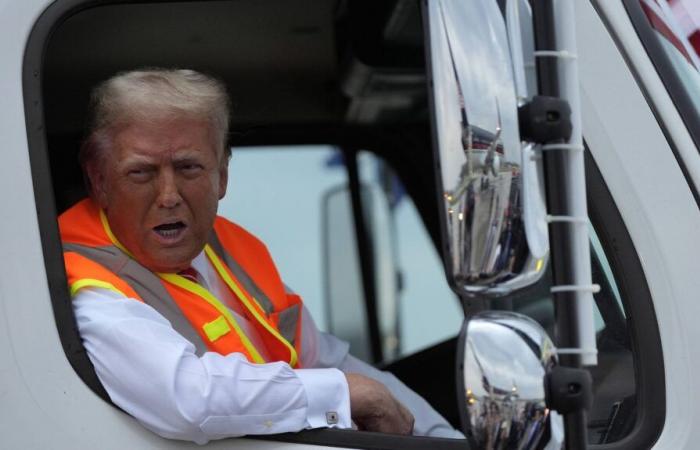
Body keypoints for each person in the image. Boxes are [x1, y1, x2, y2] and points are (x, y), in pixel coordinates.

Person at [59, 68, 461, 444]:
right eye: (141, 172)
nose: (168, 196)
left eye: (189, 167)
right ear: (99, 179)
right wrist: (342, 394)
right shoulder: (84, 280)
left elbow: (325, 359)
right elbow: (188, 400)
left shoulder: (229, 252)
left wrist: (442, 440)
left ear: (223, 176)